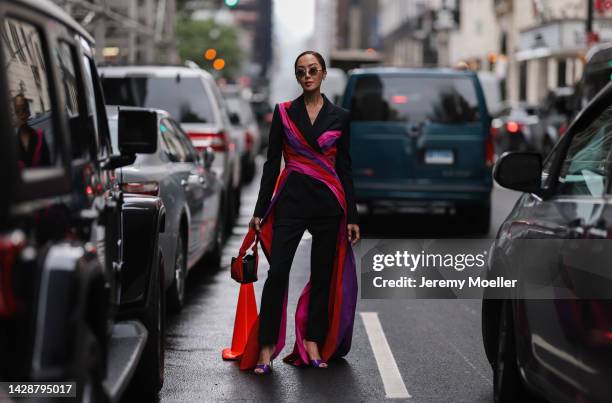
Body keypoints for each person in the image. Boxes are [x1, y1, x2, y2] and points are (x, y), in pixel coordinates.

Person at [239, 51, 361, 375]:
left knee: (322, 277)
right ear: (297, 77)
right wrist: (259, 210)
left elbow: (345, 168)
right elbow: (271, 164)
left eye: (313, 70)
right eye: (301, 71)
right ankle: (266, 348)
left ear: (322, 74)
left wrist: (352, 216)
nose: (307, 76)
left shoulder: (340, 117)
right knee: (277, 273)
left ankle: (312, 342)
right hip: (291, 202)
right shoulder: (283, 113)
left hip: (328, 204)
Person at [14, 93, 51, 168]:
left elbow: (48, 167)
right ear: (15, 114)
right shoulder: (12, 144)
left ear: (28, 112)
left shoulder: (39, 136)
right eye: (17, 111)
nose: (21, 114)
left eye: (23, 109)